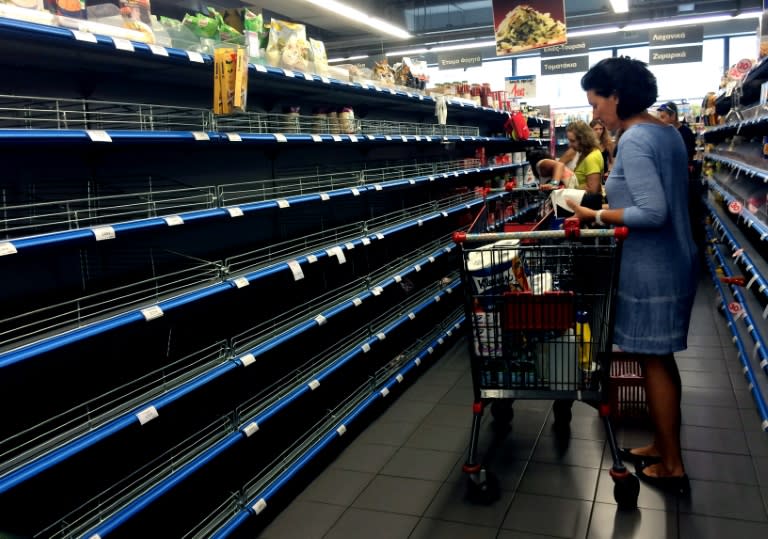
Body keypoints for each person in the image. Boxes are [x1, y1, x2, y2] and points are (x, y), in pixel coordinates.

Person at [566, 56, 698, 496]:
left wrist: (595, 212)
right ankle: (664, 445)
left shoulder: (637, 139)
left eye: (596, 102)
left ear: (617, 97)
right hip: (671, 260)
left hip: (652, 268)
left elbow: (652, 211)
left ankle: (673, 464)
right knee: (658, 358)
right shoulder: (666, 131)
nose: (594, 113)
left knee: (654, 360)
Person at [561, 120, 604, 195]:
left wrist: (569, 188)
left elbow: (593, 189)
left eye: (573, 141)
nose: (569, 145)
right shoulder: (585, 154)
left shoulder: (592, 158)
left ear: (583, 140)